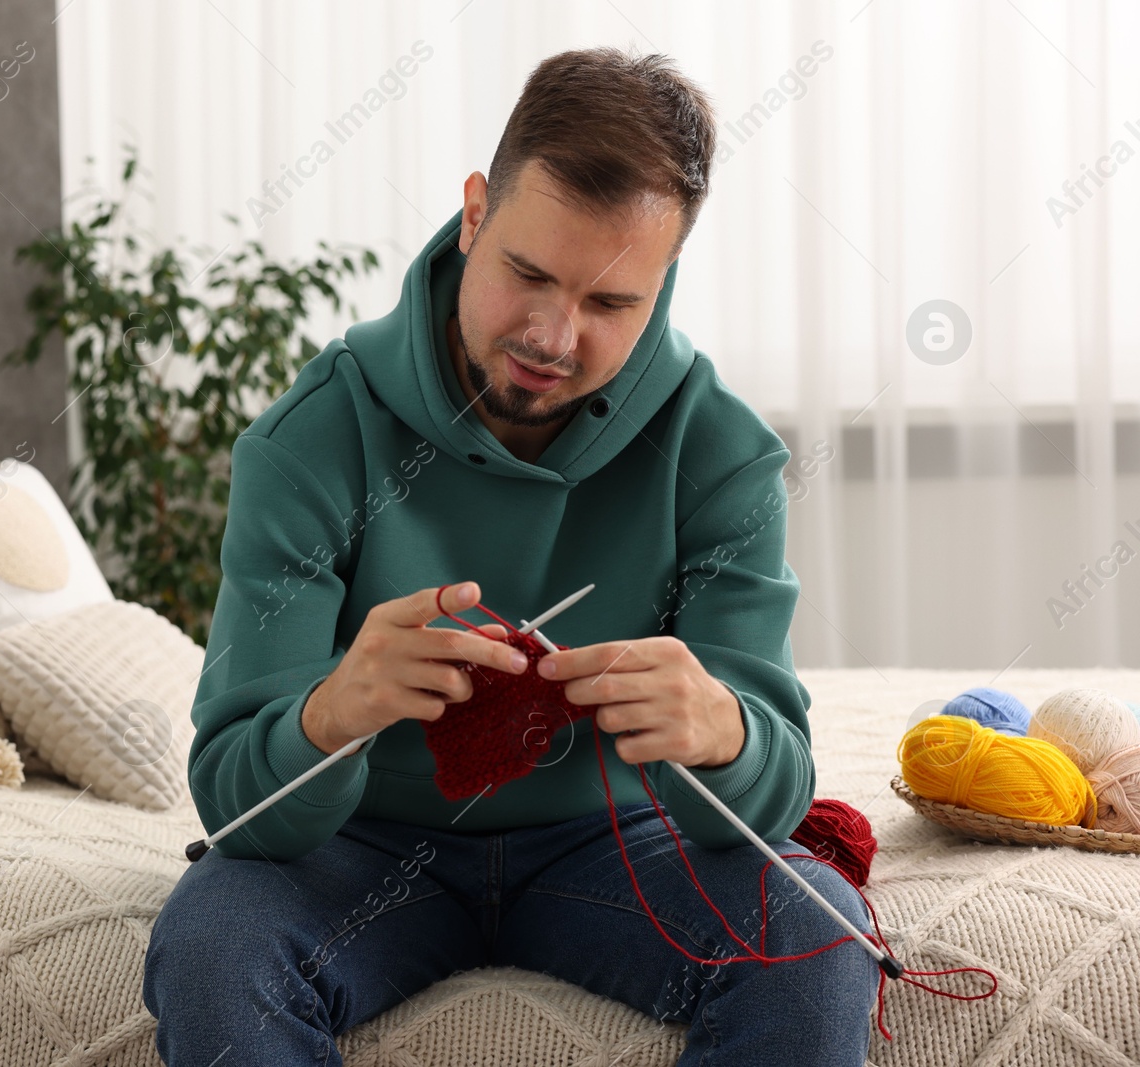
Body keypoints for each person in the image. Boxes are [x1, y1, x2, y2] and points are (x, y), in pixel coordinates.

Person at [143, 46, 878, 1066]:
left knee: (815, 924)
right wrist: (333, 710)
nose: (551, 332)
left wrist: (722, 735)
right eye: (527, 274)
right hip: (358, 847)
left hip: (615, 845)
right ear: (476, 211)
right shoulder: (310, 438)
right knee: (214, 942)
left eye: (609, 303)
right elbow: (233, 798)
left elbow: (772, 798)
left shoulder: (721, 455)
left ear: (663, 280)